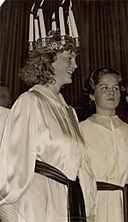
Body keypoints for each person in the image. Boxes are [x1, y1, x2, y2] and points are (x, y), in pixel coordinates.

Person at [0, 30, 96, 222]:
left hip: (69, 201)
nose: (75, 65)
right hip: (39, 202)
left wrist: (89, 208)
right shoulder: (30, 101)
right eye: (69, 58)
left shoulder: (69, 111)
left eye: (75, 59)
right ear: (47, 62)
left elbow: (83, 168)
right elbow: (12, 164)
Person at [79, 68, 128, 222]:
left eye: (115, 88)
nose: (111, 93)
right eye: (104, 88)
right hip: (96, 207)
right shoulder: (80, 131)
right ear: (92, 95)